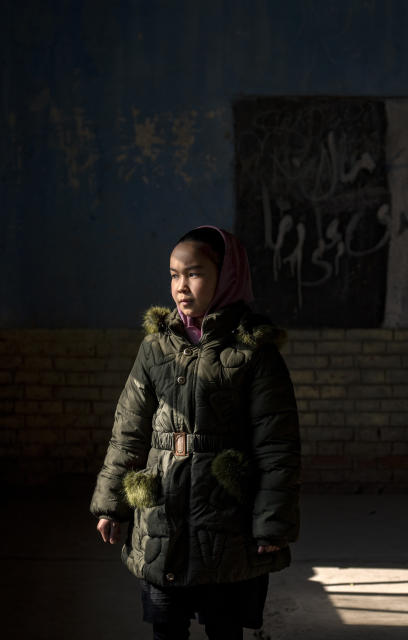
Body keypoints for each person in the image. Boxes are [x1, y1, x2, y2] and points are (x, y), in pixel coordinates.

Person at [89, 226, 301, 640]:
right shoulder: (156, 348)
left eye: (195, 273)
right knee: (166, 626)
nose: (181, 287)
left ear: (228, 276)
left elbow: (277, 446)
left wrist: (272, 523)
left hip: (227, 520)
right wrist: (111, 503)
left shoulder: (253, 351)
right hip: (161, 517)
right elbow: (128, 431)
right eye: (173, 275)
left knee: (225, 627)